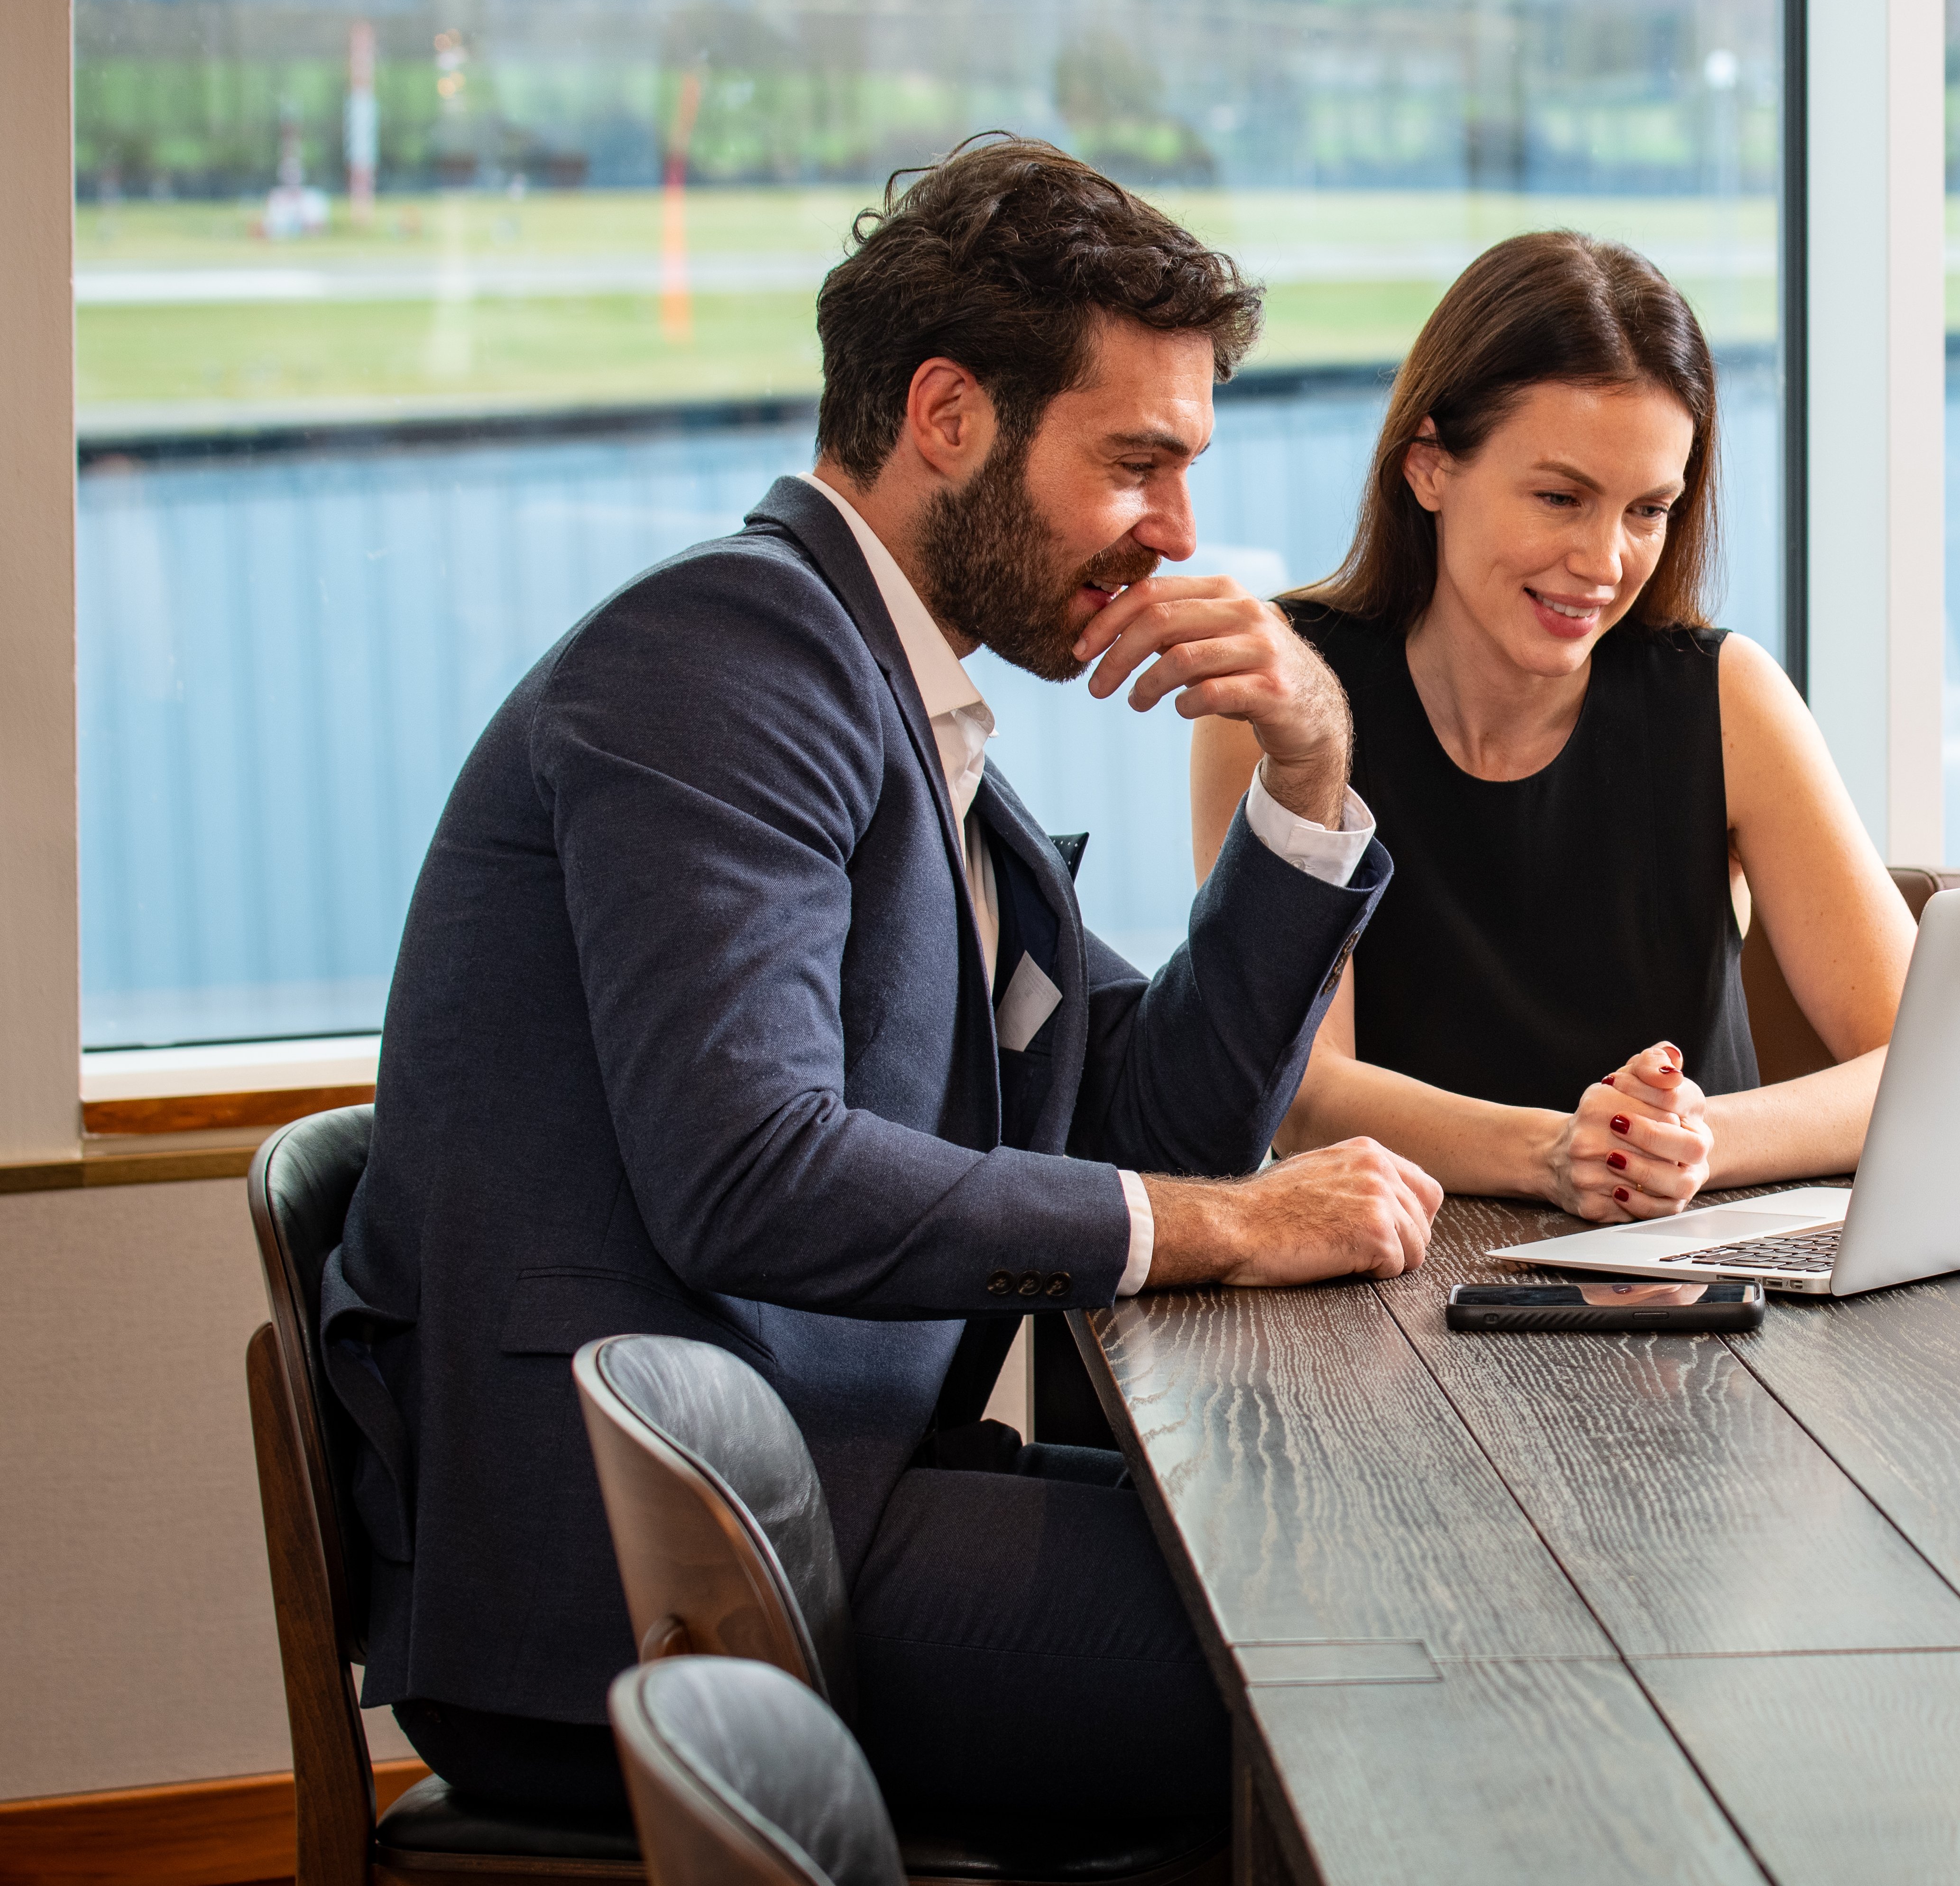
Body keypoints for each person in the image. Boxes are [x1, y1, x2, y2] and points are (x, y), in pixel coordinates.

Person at [315, 137, 1439, 1835]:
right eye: (1137, 459)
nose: (1179, 533)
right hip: (666, 1591)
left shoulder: (893, 707)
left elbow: (1166, 1111)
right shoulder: (728, 661)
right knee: (1363, 1652)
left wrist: (1307, 762)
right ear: (947, 416)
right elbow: (747, 1169)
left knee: (1347, 1565)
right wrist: (1231, 1226)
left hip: (821, 1502)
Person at [1182, 232, 1912, 1222]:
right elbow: (1302, 1093)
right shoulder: (1289, 698)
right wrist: (1560, 1152)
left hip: (1692, 1281)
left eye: (1647, 509)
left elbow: (1924, 1057)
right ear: (1430, 466)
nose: (1603, 561)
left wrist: (1683, 1145)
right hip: (1395, 1296)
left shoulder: (1727, 695)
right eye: (1559, 498)